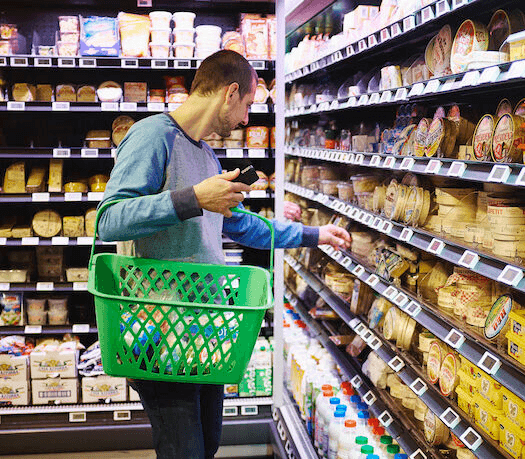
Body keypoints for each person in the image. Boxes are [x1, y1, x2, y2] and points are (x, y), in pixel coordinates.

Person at [96, 49, 351, 459]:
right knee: (185, 451)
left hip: (202, 328)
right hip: (160, 329)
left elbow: (243, 224)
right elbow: (109, 220)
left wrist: (314, 233)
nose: (247, 119)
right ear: (230, 92)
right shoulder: (151, 137)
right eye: (248, 105)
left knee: (208, 444)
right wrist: (194, 197)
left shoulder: (205, 153)